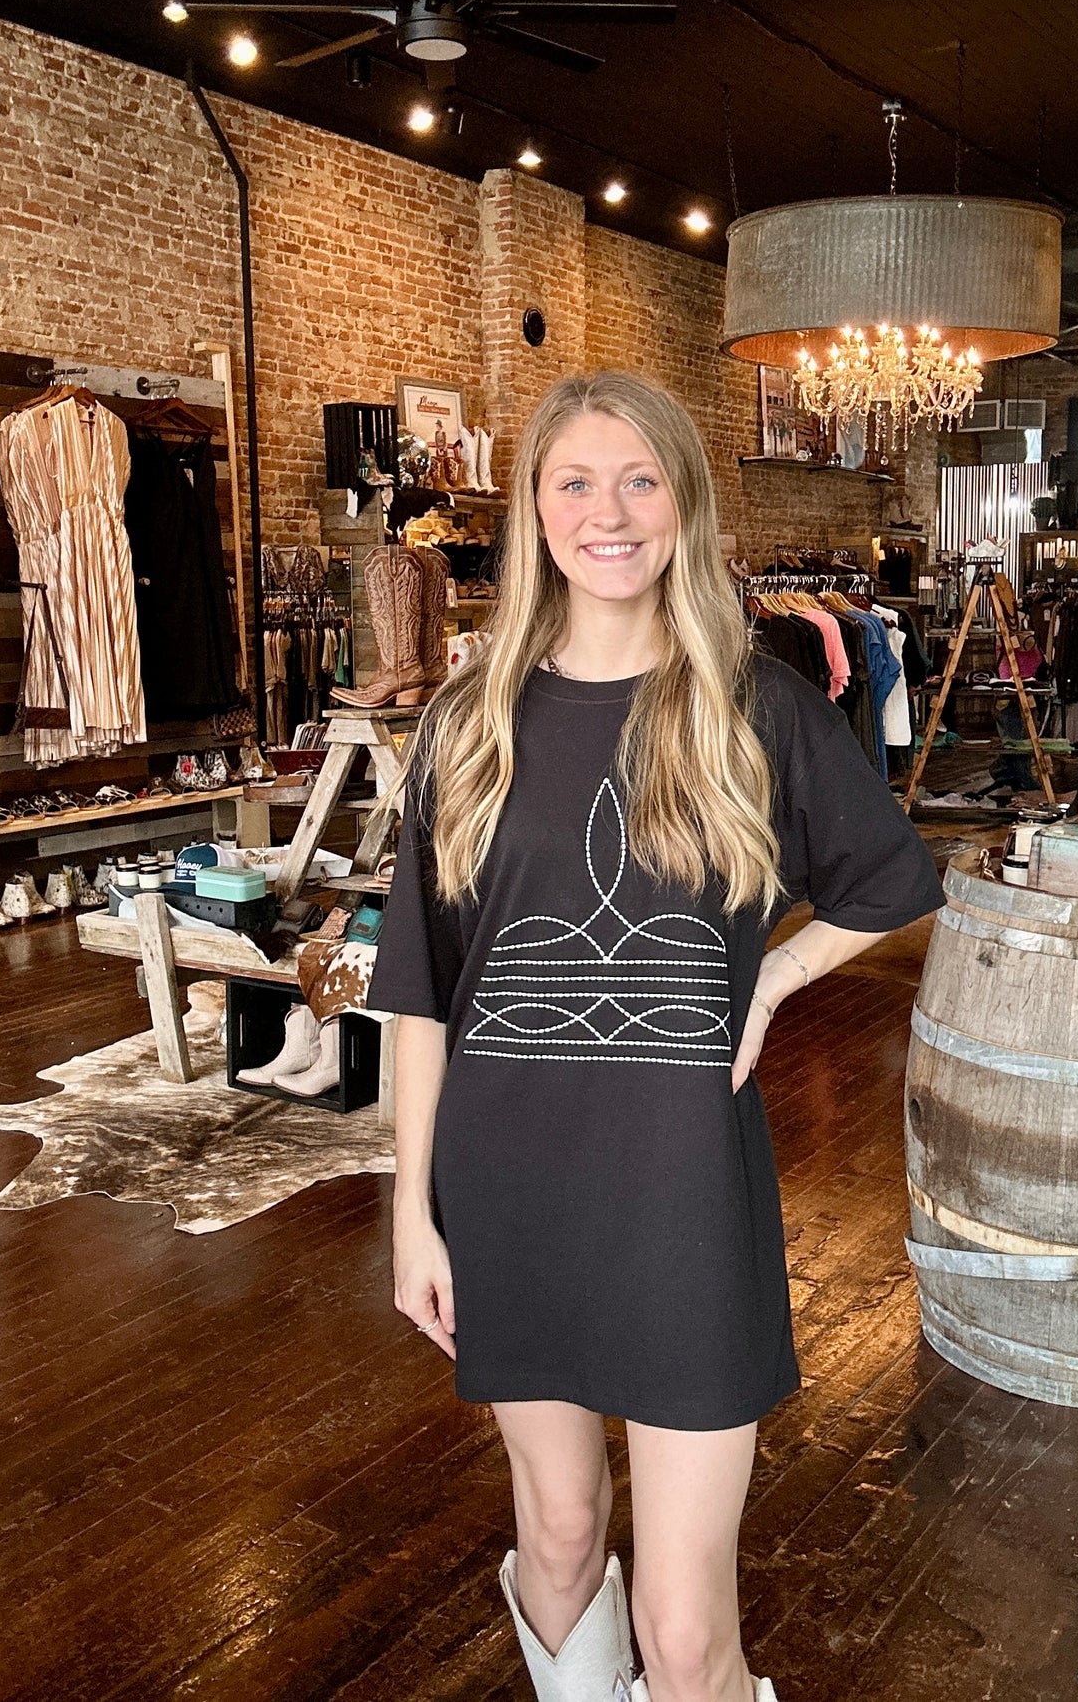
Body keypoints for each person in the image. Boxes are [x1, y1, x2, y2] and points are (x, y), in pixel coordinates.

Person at [369, 371, 944, 1702]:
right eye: (574, 480)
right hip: (507, 1192)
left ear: (684, 505)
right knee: (560, 1538)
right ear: (531, 510)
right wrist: (413, 1218)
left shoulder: (753, 704)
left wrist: (782, 972)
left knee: (689, 1637)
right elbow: (416, 990)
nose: (607, 512)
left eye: (639, 480)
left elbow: (895, 879)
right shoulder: (466, 726)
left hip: (687, 1202)